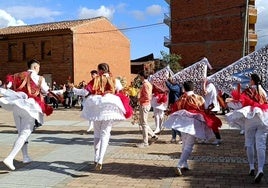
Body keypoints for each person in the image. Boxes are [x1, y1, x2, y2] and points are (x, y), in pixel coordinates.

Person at [0, 59, 62, 170]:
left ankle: (25, 156)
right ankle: (10, 157)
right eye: (38, 67)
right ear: (35, 67)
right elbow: (47, 91)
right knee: (25, 133)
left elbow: (7, 86)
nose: (39, 70)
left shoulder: (16, 75)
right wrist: (60, 92)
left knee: (21, 134)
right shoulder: (39, 78)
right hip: (30, 106)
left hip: (17, 105)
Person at [71, 63, 132, 171]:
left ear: (99, 70)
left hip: (97, 106)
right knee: (105, 133)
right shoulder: (115, 80)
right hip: (109, 106)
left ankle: (95, 157)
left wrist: (74, 89)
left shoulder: (96, 80)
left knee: (97, 133)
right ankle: (100, 159)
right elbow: (122, 92)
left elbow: (85, 92)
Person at [163, 81, 222, 176]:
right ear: (193, 88)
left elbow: (174, 108)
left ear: (184, 88)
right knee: (189, 145)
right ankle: (179, 164)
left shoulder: (181, 98)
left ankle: (184, 163)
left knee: (185, 142)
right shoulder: (198, 98)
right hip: (193, 123)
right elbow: (204, 108)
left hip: (182, 122)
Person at [225, 73, 268, 183]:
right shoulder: (264, 92)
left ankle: (252, 167)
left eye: (250, 80)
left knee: (249, 142)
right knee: (261, 144)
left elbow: (240, 104)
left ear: (253, 81)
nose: (249, 81)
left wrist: (229, 102)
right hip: (264, 118)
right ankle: (260, 169)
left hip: (251, 118)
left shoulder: (249, 91)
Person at [136, 70, 158, 148]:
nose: (139, 78)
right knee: (143, 123)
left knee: (144, 124)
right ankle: (153, 135)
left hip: (144, 104)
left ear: (142, 76)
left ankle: (145, 142)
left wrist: (139, 99)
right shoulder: (146, 84)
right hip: (145, 104)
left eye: (139, 76)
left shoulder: (145, 84)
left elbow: (148, 97)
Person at [203, 79, 222, 145]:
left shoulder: (210, 85)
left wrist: (204, 83)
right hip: (210, 107)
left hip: (211, 108)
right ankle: (206, 138)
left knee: (212, 124)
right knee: (207, 123)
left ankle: (218, 138)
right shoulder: (210, 85)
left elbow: (205, 92)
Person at [165, 77, 183, 144]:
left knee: (175, 123)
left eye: (172, 79)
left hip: (177, 106)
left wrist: (167, 81)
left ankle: (181, 137)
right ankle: (173, 138)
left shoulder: (177, 86)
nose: (171, 81)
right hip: (173, 106)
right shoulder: (174, 86)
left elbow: (171, 88)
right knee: (173, 123)